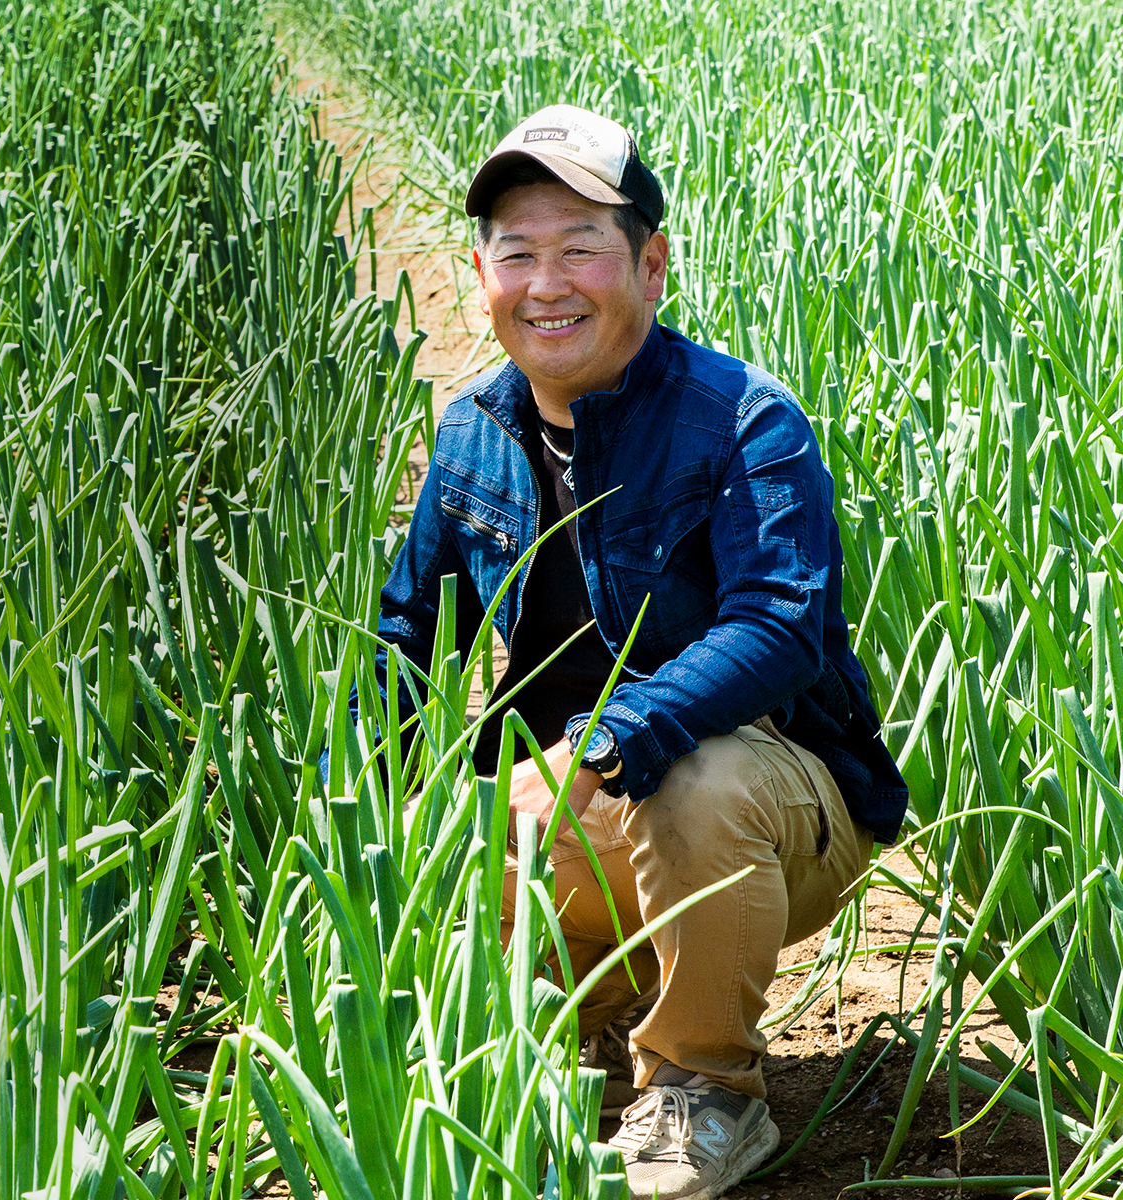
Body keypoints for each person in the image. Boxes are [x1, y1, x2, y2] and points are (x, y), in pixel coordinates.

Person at [371, 103, 907, 1200]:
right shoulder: (473, 430)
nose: (546, 282)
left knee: (685, 774)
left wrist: (605, 741)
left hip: (768, 797)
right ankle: (582, 1021)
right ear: (480, 273)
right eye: (517, 251)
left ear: (651, 264)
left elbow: (777, 627)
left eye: (581, 248)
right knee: (468, 824)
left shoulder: (743, 421)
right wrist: (354, 831)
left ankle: (706, 1092)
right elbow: (402, 647)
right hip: (572, 812)